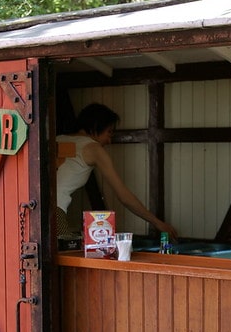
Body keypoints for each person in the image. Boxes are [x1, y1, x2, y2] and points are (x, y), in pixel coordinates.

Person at [56, 103, 178, 240]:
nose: (109, 140)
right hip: (56, 211)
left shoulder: (58, 139)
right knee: (62, 251)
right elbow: (124, 196)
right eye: (109, 132)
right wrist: (158, 223)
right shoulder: (93, 148)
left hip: (37, 209)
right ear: (96, 126)